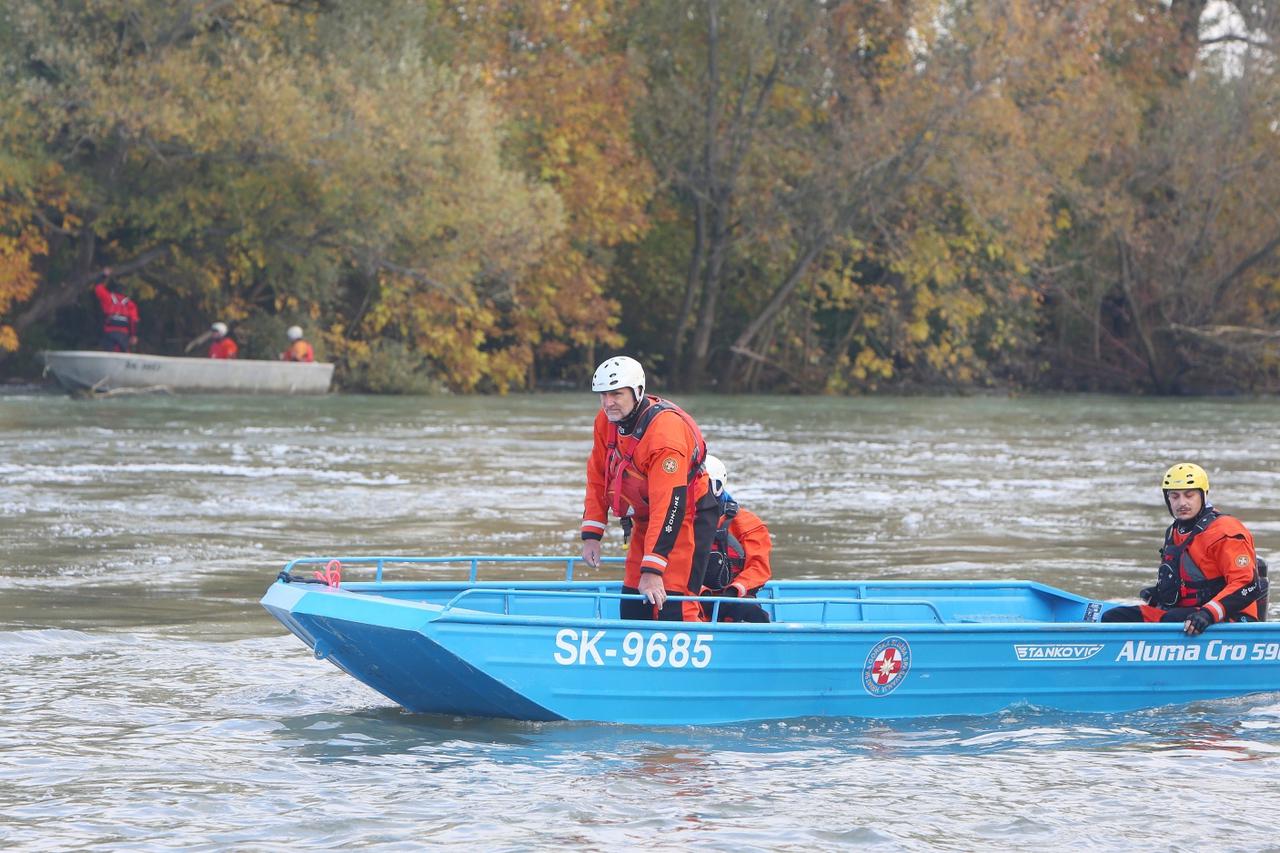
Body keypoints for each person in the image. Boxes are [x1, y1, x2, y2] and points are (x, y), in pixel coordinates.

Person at [580, 355, 719, 621]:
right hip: (646, 517)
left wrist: (654, 569)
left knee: (675, 600)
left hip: (686, 516)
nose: (609, 403)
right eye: (603, 395)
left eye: (617, 395)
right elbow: (597, 475)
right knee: (633, 599)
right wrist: (592, 534)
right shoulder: (606, 422)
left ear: (637, 392)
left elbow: (670, 506)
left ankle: (690, 646)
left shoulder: (665, 436)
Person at [1102, 463, 1267, 634]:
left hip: (1230, 618)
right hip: (1189, 613)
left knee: (1172, 619)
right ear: (1167, 499)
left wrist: (1208, 613)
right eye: (1174, 496)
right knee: (1114, 617)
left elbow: (1247, 584)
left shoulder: (1226, 531)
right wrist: (1159, 594)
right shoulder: (1175, 530)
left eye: (1189, 495)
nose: (1182, 503)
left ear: (1203, 495)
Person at [699, 455, 772, 623]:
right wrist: (702, 594)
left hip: (735, 601)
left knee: (752, 612)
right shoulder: (680, 521)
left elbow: (758, 568)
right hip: (693, 598)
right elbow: (673, 565)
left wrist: (732, 593)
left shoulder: (748, 524)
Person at [91, 267, 138, 353]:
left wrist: (103, 276)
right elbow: (133, 321)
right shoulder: (130, 304)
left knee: (108, 352)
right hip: (124, 335)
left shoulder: (108, 297)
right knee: (124, 353)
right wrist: (133, 336)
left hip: (109, 332)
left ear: (112, 290)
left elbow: (97, 287)